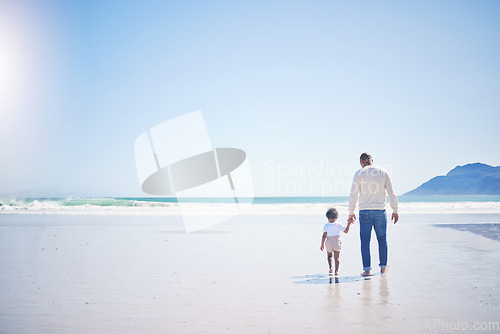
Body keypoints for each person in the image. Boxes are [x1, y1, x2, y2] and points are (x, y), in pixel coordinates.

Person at [348, 153, 399, 277]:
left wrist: (351, 212)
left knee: (365, 241)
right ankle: (383, 267)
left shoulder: (359, 173)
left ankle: (366, 270)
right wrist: (395, 209)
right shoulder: (383, 172)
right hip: (380, 210)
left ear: (362, 161)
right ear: (372, 160)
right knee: (382, 239)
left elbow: (353, 194)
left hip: (364, 210)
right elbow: (392, 192)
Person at [320, 208, 353, 275]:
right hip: (337, 241)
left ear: (327, 218)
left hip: (329, 241)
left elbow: (324, 235)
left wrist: (322, 244)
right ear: (336, 217)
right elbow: (346, 231)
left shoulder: (326, 225)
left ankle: (330, 268)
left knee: (329, 256)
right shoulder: (338, 224)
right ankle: (336, 271)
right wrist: (348, 224)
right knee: (337, 257)